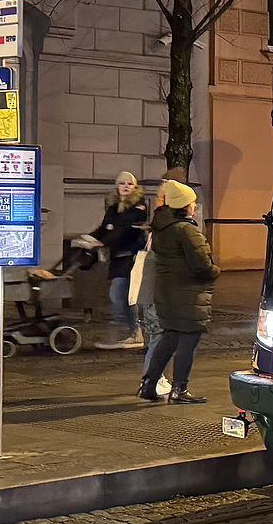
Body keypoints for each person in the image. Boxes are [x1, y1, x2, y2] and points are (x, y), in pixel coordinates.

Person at [138, 179, 220, 404]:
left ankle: (148, 384)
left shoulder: (162, 227)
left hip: (166, 292)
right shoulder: (186, 230)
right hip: (186, 294)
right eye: (192, 202)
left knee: (170, 336)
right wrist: (214, 271)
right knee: (188, 339)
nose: (194, 205)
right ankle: (179, 389)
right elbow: (202, 264)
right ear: (186, 206)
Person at [91, 172, 150, 349]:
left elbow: (122, 230)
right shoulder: (113, 207)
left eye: (129, 184)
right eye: (122, 183)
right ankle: (133, 332)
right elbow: (105, 227)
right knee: (120, 295)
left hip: (130, 257)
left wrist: (102, 241)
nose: (126, 187)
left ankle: (129, 332)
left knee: (120, 294)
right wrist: (89, 238)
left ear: (135, 187)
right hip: (117, 257)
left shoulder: (138, 207)